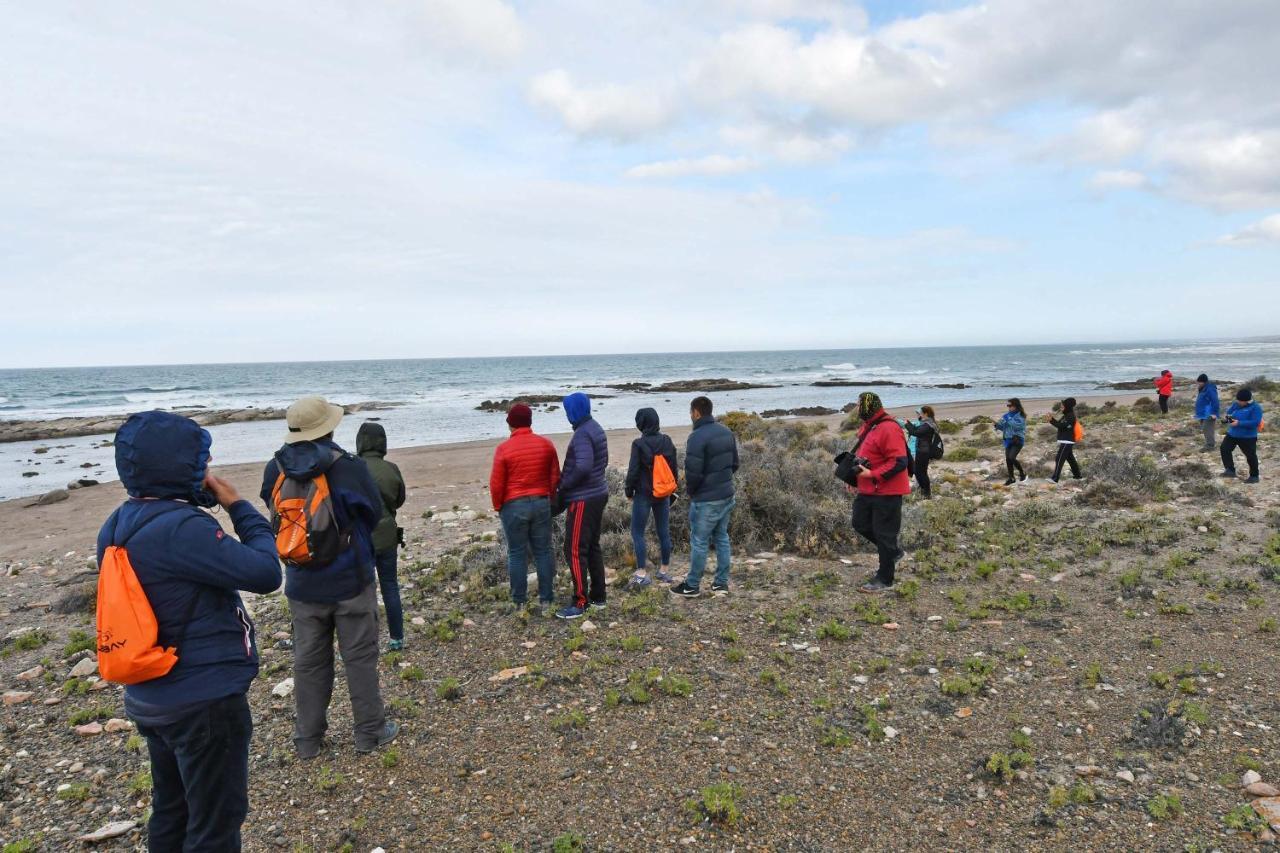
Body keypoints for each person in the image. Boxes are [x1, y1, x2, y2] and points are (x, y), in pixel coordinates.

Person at [100, 411, 281, 851]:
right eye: (200, 457)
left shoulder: (119, 522)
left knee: (172, 809)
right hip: (202, 698)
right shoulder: (182, 528)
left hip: (151, 694)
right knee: (215, 824)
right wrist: (239, 505)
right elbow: (263, 572)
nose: (209, 463)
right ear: (177, 467)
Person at [260, 396, 398, 759]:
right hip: (350, 578)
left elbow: (271, 510)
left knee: (308, 662)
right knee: (359, 657)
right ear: (329, 427)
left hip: (302, 582)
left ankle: (308, 741)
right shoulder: (347, 467)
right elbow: (370, 511)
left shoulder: (274, 468)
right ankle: (369, 732)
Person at [490, 403, 560, 612]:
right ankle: (546, 600)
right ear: (530, 421)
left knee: (517, 553)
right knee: (543, 552)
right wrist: (548, 498)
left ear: (510, 423)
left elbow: (496, 484)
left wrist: (498, 506)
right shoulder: (546, 445)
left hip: (514, 505)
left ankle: (519, 602)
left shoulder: (503, 449)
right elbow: (555, 476)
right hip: (540, 502)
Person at [671, 396, 739, 598]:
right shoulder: (726, 431)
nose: (690, 415)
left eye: (691, 412)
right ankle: (721, 583)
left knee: (699, 541)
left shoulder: (697, 436)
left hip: (706, 499)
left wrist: (693, 492)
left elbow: (693, 473)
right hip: (726, 494)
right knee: (722, 538)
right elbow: (735, 464)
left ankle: (692, 586)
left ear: (696, 413)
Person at [845, 392, 911, 593]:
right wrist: (855, 478)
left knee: (884, 534)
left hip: (887, 491)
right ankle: (894, 552)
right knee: (860, 523)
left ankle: (884, 579)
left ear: (868, 405)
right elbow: (866, 456)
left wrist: (872, 474)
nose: (856, 408)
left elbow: (899, 462)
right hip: (868, 489)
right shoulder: (869, 426)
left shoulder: (889, 428)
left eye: (859, 404)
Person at [555, 392, 609, 619]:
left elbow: (584, 466)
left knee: (575, 550)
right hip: (598, 493)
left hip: (583, 499)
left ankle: (580, 602)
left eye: (568, 410)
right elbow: (601, 462)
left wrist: (564, 485)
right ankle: (598, 596)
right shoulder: (595, 427)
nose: (567, 414)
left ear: (575, 410)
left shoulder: (582, 434)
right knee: (592, 546)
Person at [356, 422, 407, 651]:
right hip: (387, 536)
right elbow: (399, 499)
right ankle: (397, 638)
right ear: (383, 442)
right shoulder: (392, 468)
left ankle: (366, 640)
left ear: (360, 442)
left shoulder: (353, 468)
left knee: (364, 590)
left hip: (361, 538)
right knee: (390, 587)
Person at [624, 407, 678, 590]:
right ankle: (664, 570)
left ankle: (641, 573)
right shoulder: (667, 441)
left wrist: (628, 491)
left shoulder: (638, 444)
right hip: (662, 493)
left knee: (638, 532)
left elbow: (633, 471)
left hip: (643, 494)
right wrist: (671, 489)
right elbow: (673, 468)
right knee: (663, 531)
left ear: (641, 424)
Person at [1221, 387, 1263, 483]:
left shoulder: (1255, 408)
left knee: (1250, 456)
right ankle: (1230, 470)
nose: (1238, 402)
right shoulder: (1236, 404)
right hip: (1233, 433)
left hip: (1248, 436)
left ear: (1247, 401)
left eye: (1240, 401)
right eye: (1238, 400)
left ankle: (1254, 476)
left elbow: (1255, 422)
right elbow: (1229, 412)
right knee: (1224, 449)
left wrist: (1239, 423)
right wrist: (1227, 419)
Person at [903, 405, 938, 499]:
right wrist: (909, 423)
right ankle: (924, 490)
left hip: (924, 451)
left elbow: (915, 432)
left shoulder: (929, 425)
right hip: (921, 450)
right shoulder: (926, 423)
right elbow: (916, 430)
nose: (919, 415)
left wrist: (907, 424)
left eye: (920, 413)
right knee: (918, 472)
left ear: (926, 413)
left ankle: (927, 492)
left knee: (921, 472)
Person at [1045, 397, 1082, 482]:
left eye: (1062, 405)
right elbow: (1059, 424)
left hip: (1068, 440)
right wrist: (1051, 419)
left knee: (1059, 458)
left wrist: (1051, 420)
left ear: (1067, 406)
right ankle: (1078, 476)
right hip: (1066, 440)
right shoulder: (1067, 415)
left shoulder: (1070, 416)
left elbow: (1061, 426)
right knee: (1070, 458)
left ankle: (1055, 478)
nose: (1061, 407)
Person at [994, 398, 1028, 485]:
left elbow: (1017, 426)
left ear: (1016, 406)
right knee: (1008, 459)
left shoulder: (1020, 416)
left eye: (1010, 405)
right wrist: (997, 426)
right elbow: (1004, 428)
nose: (1008, 407)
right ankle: (1011, 478)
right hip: (1008, 440)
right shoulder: (1007, 415)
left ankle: (1022, 473)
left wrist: (1008, 418)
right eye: (1007, 405)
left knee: (1012, 457)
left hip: (1017, 440)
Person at [1194, 374, 1220, 452]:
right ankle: (1208, 443)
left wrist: (1214, 413)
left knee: (1208, 429)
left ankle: (1210, 445)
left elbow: (1215, 401)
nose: (1198, 384)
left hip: (1209, 413)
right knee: (1205, 429)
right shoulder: (1203, 388)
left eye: (1199, 382)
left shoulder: (1210, 389)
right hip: (1202, 413)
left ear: (1203, 382)